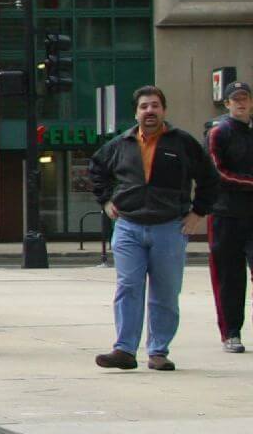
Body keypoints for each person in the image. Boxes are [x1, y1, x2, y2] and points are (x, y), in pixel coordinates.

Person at [88, 85, 220, 371]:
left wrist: (198, 213)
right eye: (144, 106)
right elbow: (97, 169)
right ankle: (124, 350)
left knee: (165, 292)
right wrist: (106, 201)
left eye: (155, 106)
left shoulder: (182, 143)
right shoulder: (120, 144)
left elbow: (210, 178)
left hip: (169, 228)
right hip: (128, 227)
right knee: (128, 287)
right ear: (136, 113)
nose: (150, 111)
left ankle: (158, 351)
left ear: (164, 110)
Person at [207, 79, 253, 354]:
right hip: (226, 214)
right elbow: (217, 173)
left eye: (245, 98)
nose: (240, 102)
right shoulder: (218, 133)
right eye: (235, 99)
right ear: (227, 104)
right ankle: (231, 333)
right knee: (229, 277)